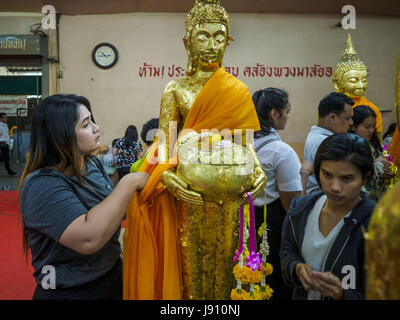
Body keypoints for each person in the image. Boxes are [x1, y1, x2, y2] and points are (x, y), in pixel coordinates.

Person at [123, 0, 265, 300]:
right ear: (188, 42)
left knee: (228, 272)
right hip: (189, 196)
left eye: (218, 36)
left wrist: (258, 170)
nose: (211, 45)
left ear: (228, 41)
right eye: (203, 36)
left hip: (230, 197)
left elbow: (245, 147)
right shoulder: (176, 89)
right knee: (190, 276)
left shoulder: (237, 90)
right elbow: (163, 148)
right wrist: (169, 179)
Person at [19, 94, 149, 300]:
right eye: (86, 124)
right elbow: (88, 237)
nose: (96, 128)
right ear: (61, 135)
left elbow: (113, 212)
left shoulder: (91, 164)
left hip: (111, 275)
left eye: (92, 120)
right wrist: (129, 183)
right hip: (72, 291)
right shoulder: (42, 185)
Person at [280, 133, 376, 300]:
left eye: (347, 178)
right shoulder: (300, 210)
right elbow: (287, 252)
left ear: (365, 178)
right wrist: (296, 268)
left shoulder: (376, 225)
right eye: (327, 175)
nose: (335, 187)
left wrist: (342, 294)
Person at [252, 87, 302, 300]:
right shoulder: (281, 152)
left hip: (246, 224)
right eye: (287, 112)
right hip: (273, 227)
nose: (288, 117)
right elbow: (293, 206)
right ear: (275, 113)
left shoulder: (241, 145)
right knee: (274, 284)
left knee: (250, 280)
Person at [301, 92, 354, 195]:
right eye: (348, 118)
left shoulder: (316, 135)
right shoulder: (326, 142)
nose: (351, 123)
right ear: (333, 117)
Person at [332, 34, 383, 141]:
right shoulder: (331, 106)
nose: (361, 85)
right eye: (353, 80)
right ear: (337, 83)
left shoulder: (372, 108)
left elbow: (377, 139)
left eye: (364, 80)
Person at [351, 105, 395, 202]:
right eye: (367, 127)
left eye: (373, 127)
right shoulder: (349, 144)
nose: (371, 130)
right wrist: (373, 162)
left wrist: (386, 173)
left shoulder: (373, 143)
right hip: (360, 200)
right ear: (354, 126)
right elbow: (348, 167)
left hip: (377, 197)